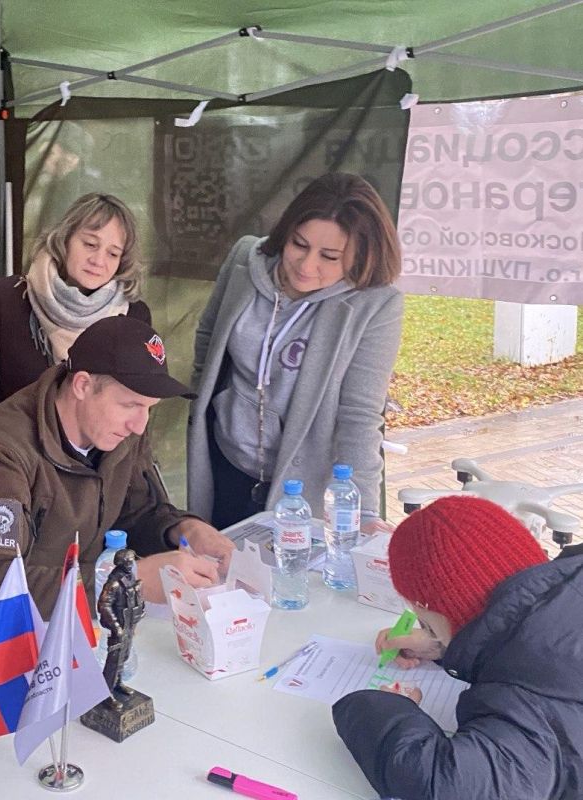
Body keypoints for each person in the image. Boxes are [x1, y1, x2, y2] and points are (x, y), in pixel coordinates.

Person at [0, 315, 235, 631]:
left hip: (81, 620)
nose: (140, 424)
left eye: (150, 408)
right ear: (82, 385)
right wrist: (127, 580)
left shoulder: (119, 431)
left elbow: (139, 513)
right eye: (130, 405)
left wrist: (183, 529)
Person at [187, 173, 403, 529]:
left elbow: (360, 414)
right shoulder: (246, 257)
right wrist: (204, 395)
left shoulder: (376, 305)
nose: (306, 266)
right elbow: (209, 335)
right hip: (223, 455)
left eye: (329, 257)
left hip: (297, 482)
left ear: (360, 255)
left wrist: (362, 510)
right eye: (299, 245)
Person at [333, 496, 583, 800]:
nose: (425, 629)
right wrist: (445, 645)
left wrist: (384, 707)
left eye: (426, 623)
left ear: (446, 615)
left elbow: (444, 783)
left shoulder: (526, 703)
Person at [0, 193, 150, 480]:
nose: (99, 260)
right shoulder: (8, 300)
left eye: (112, 253)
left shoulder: (133, 317)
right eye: (90, 244)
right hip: (15, 464)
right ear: (65, 239)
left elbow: (137, 403)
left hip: (97, 474)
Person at [98, 548, 145, 708]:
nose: (132, 564)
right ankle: (106, 693)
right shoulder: (114, 583)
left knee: (123, 658)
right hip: (118, 627)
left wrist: (141, 610)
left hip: (129, 624)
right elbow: (104, 605)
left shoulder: (130, 577)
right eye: (129, 561)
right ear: (122, 563)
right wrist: (115, 626)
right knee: (113, 662)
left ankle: (117, 683)